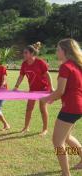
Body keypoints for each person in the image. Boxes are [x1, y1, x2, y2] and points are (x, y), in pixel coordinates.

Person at [41, 38, 82, 176]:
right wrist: (54, 97)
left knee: (58, 142)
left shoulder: (65, 66)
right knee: (67, 137)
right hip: (77, 107)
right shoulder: (76, 65)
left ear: (65, 51)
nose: (56, 52)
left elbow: (60, 91)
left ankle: (66, 174)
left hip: (71, 108)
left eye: (58, 49)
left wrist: (47, 99)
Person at [13, 42, 54, 136]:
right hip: (32, 90)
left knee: (42, 108)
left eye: (26, 52)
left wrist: (51, 87)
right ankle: (26, 127)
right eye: (24, 52)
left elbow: (47, 74)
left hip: (43, 89)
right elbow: (21, 76)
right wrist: (16, 86)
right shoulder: (24, 64)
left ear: (31, 53)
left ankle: (45, 129)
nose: (24, 54)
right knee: (29, 108)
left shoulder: (40, 62)